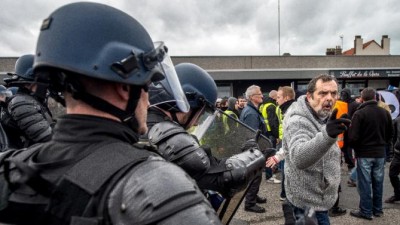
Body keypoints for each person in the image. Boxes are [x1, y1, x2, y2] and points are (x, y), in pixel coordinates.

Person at [0, 3, 221, 225]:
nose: (148, 99)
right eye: (146, 86)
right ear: (125, 88)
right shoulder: (156, 186)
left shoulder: (10, 167)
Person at [146, 63, 265, 203]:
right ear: (188, 102)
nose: (197, 123)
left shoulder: (147, 124)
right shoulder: (168, 137)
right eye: (202, 112)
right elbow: (225, 178)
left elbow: (208, 167)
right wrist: (253, 156)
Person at [283, 74, 351, 225]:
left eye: (333, 93)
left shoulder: (320, 114)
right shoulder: (298, 121)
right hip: (308, 205)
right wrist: (327, 135)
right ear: (309, 96)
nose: (329, 98)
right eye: (322, 93)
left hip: (318, 199)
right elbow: (299, 157)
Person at [348, 87, 393, 220]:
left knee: (365, 183)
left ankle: (366, 211)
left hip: (364, 153)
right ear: (375, 97)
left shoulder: (360, 113)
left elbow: (353, 137)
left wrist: (356, 149)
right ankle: (377, 210)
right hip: (380, 153)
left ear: (362, 98)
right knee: (378, 182)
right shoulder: (385, 113)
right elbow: (391, 134)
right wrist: (383, 144)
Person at [1, 54, 54, 149]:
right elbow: (47, 138)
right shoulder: (22, 103)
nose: (47, 87)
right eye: (44, 81)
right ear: (30, 83)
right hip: (30, 158)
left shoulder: (31, 100)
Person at [240, 85, 268, 213]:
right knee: (255, 176)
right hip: (253, 151)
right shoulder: (251, 113)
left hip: (253, 150)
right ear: (252, 97)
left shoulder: (252, 110)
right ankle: (250, 203)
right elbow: (251, 137)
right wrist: (256, 153)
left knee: (255, 176)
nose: (262, 95)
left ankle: (253, 196)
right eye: (259, 94)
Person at [267, 86, 296, 200]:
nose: (276, 100)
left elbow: (291, 140)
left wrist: (278, 157)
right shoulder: (286, 110)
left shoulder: (292, 113)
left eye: (278, 97)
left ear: (287, 98)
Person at [385, 114, 400, 204]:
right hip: (398, 153)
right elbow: (393, 136)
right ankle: (398, 194)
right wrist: (392, 151)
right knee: (392, 174)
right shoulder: (397, 120)